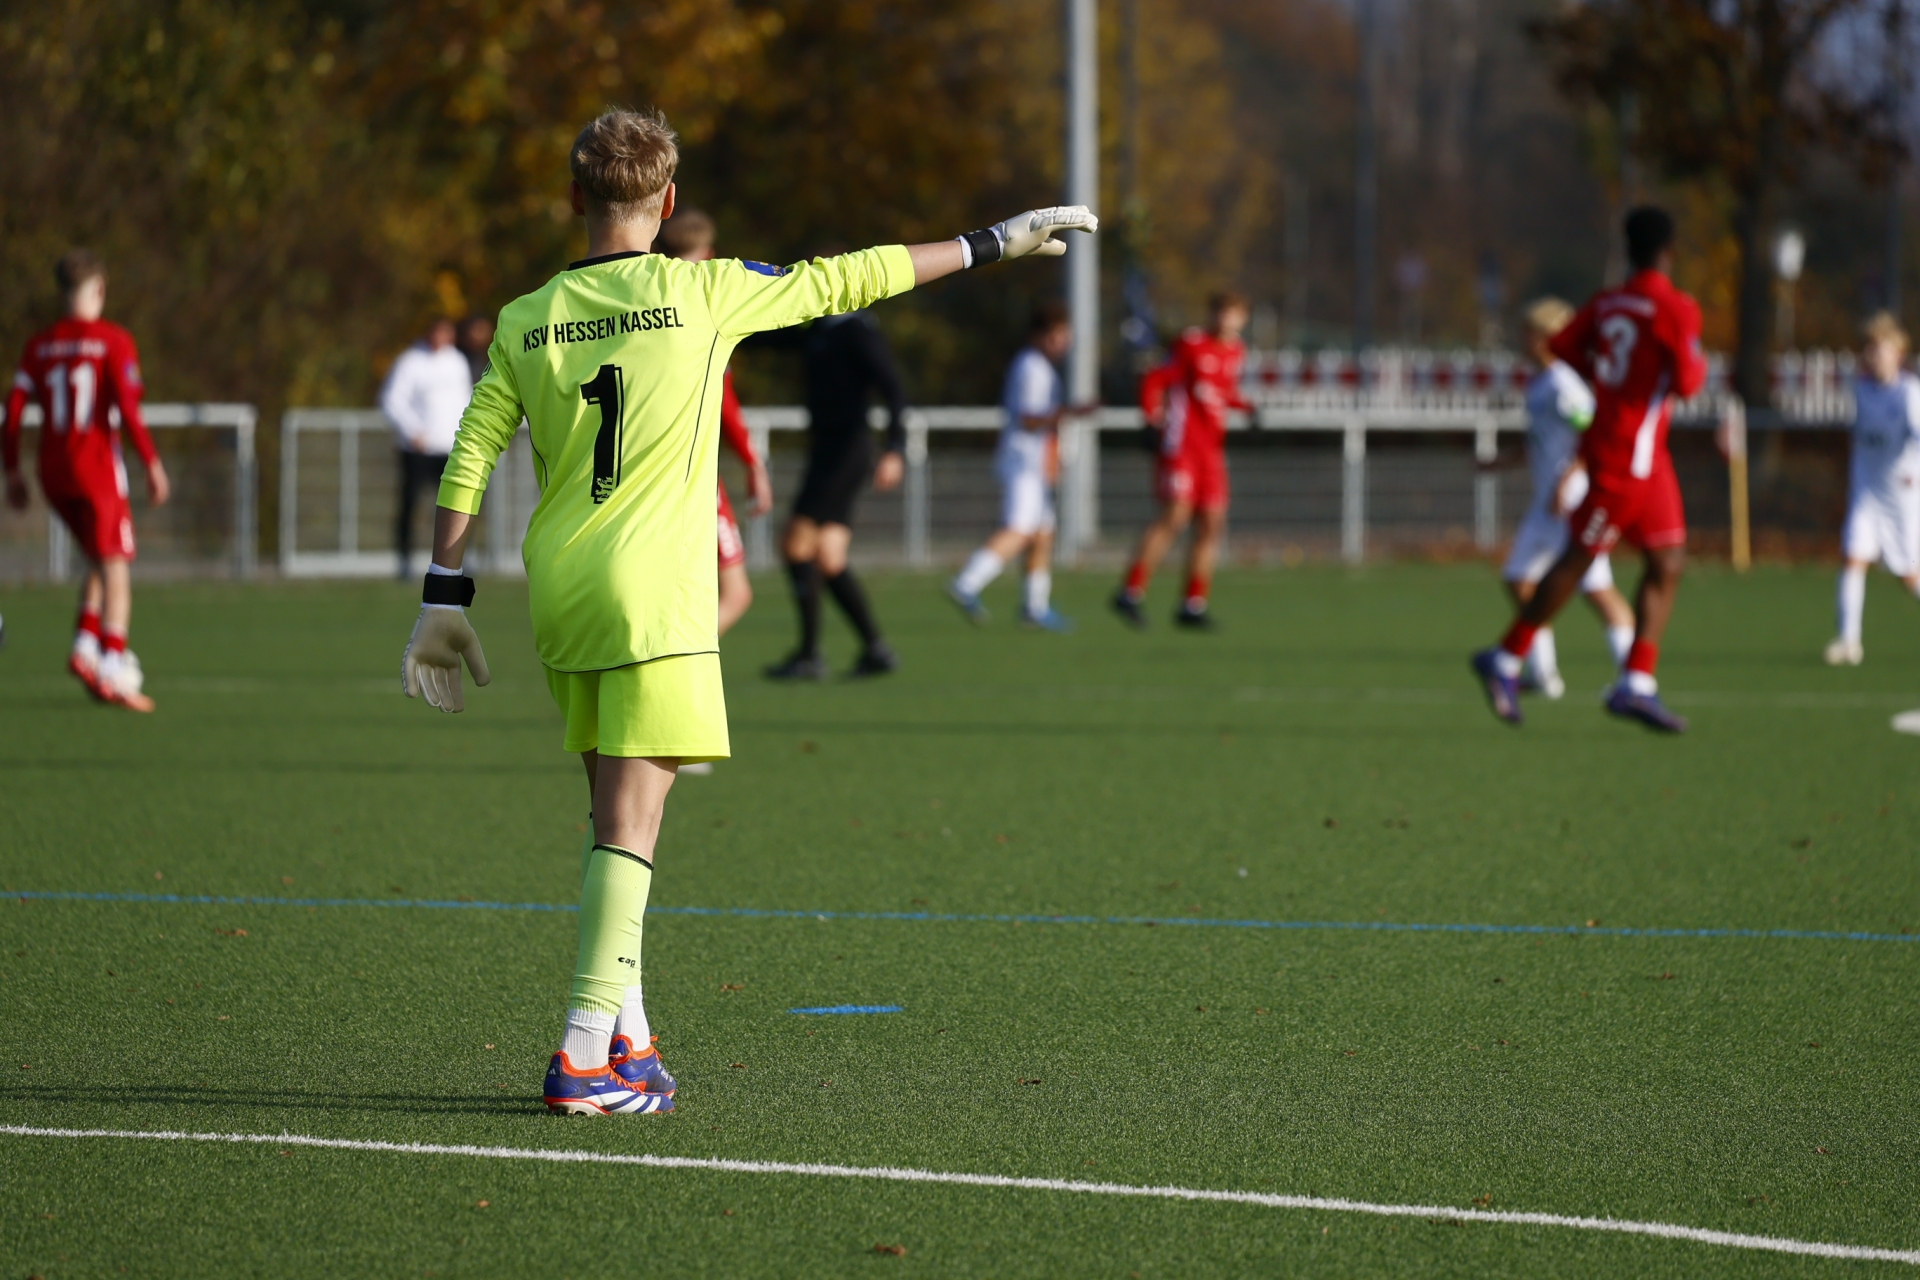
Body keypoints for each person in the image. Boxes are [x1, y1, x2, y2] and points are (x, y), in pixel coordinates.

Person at [397, 105, 1093, 1115]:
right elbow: (849, 277)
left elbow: (470, 450)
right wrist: (989, 243)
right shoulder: (704, 290)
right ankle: (583, 1055)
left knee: (611, 818)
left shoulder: (523, 317)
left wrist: (443, 591)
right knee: (632, 825)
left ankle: (628, 1037)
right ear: (669, 200)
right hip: (655, 591)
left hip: (564, 586)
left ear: (574, 197)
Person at [1472, 206, 1707, 732]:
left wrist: (1608, 378)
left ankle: (1636, 683)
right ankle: (1506, 658)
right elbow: (1689, 383)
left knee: (1668, 560)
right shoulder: (1675, 308)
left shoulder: (1607, 303)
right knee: (1581, 559)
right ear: (1668, 252)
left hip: (1649, 458)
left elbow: (1563, 346)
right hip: (1622, 456)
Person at [3, 249, 170, 712]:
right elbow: (128, 409)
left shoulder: (38, 346)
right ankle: (114, 666)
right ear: (99, 289)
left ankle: (84, 647)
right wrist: (152, 462)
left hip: (52, 470)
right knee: (117, 566)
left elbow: (12, 411)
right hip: (95, 467)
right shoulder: (114, 341)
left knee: (99, 557)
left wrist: (12, 469)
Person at [753, 266, 912, 680]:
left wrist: (896, 448)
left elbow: (893, 388)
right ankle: (875, 649)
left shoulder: (857, 330)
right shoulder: (820, 328)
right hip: (828, 451)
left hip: (845, 454)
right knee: (828, 555)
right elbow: (769, 336)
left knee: (795, 545)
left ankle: (809, 656)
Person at [1501, 297, 1637, 698]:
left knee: (1597, 590)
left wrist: (1569, 479)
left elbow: (1593, 435)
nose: (1522, 340)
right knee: (1518, 578)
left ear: (1546, 337)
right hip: (1546, 506)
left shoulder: (1564, 384)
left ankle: (1633, 679)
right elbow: (1542, 440)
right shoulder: (1539, 383)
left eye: (1528, 333)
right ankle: (1542, 673)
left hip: (1573, 503)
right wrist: (1500, 462)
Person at [656, 208, 775, 639]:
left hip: (638, 476)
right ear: (708, 253)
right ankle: (672, 662)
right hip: (695, 477)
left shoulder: (643, 300)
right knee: (735, 593)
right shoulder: (707, 307)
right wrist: (754, 464)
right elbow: (726, 407)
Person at [1111, 291, 1253, 630]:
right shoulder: (1191, 344)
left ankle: (1193, 603)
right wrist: (1150, 420)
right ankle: (1130, 591)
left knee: (1212, 524)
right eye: (1221, 312)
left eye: (1233, 314)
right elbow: (1156, 378)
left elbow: (1222, 392)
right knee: (1175, 516)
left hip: (1211, 451)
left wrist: (1248, 408)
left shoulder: (1236, 351)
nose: (1226, 320)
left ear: (1243, 319)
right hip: (1182, 447)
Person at [947, 303, 1077, 630]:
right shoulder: (1031, 367)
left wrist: (1055, 456)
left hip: (1035, 463)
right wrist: (1071, 412)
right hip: (1023, 461)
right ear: (1040, 335)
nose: (1064, 342)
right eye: (1058, 335)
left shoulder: (1041, 367)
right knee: (1019, 529)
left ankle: (1035, 606)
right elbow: (1029, 419)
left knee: (1043, 532)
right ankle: (966, 582)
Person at [1825, 312, 1920, 665]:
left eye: (1882, 349)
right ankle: (1848, 641)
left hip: (1901, 498)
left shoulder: (1909, 393)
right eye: (1871, 348)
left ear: (1899, 353)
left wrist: (1914, 471)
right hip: (1866, 494)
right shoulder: (1861, 390)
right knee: (1853, 558)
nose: (1875, 355)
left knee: (1908, 576)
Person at [381, 317, 473, 577]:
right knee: (411, 506)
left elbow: (467, 399)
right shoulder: (411, 361)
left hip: (451, 449)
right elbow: (391, 400)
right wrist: (413, 431)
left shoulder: (457, 362)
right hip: (419, 450)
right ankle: (405, 561)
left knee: (457, 506)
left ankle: (457, 560)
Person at [457, 314, 497, 384]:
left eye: (484, 330)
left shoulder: (495, 357)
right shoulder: (459, 358)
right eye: (479, 330)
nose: (481, 335)